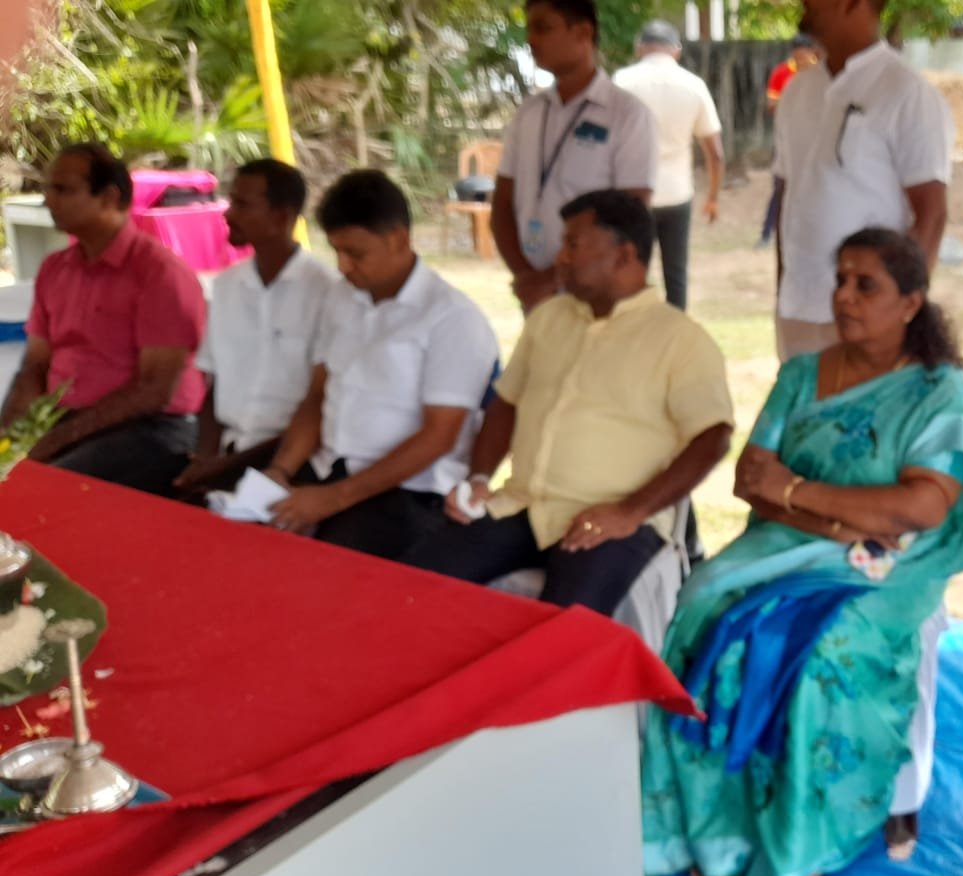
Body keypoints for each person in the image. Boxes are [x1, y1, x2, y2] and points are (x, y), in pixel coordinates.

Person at [640, 228, 963, 876]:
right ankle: (717, 832)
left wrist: (796, 491)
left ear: (911, 302)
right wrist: (837, 518)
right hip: (796, 541)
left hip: (892, 566)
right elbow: (751, 480)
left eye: (866, 285)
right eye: (840, 280)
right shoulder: (802, 375)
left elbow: (919, 508)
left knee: (820, 654)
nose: (844, 297)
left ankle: (800, 841)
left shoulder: (939, 394)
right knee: (703, 605)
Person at [402, 191, 734, 614]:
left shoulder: (680, 340)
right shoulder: (549, 318)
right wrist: (480, 477)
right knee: (411, 585)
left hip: (609, 520)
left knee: (565, 628)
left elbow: (713, 437)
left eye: (573, 244)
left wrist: (630, 512)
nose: (560, 257)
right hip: (523, 506)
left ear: (624, 255)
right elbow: (506, 403)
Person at [262, 170, 498, 561]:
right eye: (336, 251)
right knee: (244, 541)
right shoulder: (341, 298)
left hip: (408, 491)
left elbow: (438, 437)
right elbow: (318, 395)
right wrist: (281, 471)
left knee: (323, 568)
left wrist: (331, 500)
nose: (343, 266)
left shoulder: (452, 318)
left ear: (399, 240)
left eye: (356, 254)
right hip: (327, 469)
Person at [0, 142, 205, 497]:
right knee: (14, 480)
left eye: (63, 190)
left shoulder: (159, 273)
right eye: (49, 189)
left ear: (109, 197)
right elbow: (34, 367)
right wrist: (6, 437)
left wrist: (55, 440)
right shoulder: (55, 269)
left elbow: (154, 391)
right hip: (66, 422)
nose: (49, 200)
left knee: (37, 492)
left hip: (152, 428)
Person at [771, 0, 954, 361]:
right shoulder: (797, 90)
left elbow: (931, 215)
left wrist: (896, 316)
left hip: (871, 325)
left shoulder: (907, 93)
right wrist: (782, 289)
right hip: (798, 310)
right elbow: (789, 200)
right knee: (801, 400)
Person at [173, 159, 339, 496]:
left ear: (281, 217)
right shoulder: (226, 287)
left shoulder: (328, 293)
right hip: (229, 452)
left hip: (295, 462)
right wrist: (205, 459)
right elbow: (213, 384)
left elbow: (324, 404)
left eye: (242, 204)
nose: (228, 214)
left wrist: (223, 468)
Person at [491, 0, 657, 314]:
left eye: (543, 28)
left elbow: (632, 214)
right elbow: (501, 203)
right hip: (535, 293)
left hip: (597, 293)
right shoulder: (529, 113)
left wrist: (553, 279)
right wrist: (526, 277)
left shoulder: (627, 114)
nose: (531, 40)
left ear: (583, 32)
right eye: (530, 30)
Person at [614, 20, 725, 312]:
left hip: (632, 194)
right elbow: (715, 153)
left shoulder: (621, 83)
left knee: (632, 273)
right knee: (676, 276)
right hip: (677, 193)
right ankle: (676, 333)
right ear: (676, 51)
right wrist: (713, 197)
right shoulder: (693, 85)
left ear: (640, 48)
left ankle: (632, 332)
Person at [758, 35, 820, 249]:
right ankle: (767, 233)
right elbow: (771, 104)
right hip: (787, 139)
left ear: (812, 52)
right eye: (797, 54)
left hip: (816, 141)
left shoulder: (821, 73)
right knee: (780, 186)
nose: (801, 58)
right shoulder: (782, 73)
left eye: (804, 54)